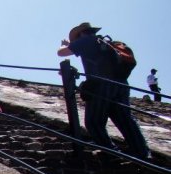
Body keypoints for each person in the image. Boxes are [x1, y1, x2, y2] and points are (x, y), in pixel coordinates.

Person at [57, 22, 150, 159]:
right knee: (124, 119)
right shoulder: (106, 42)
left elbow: (61, 53)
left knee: (94, 121)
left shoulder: (85, 40)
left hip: (101, 85)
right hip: (121, 85)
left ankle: (110, 152)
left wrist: (65, 44)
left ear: (82, 33)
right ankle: (142, 153)